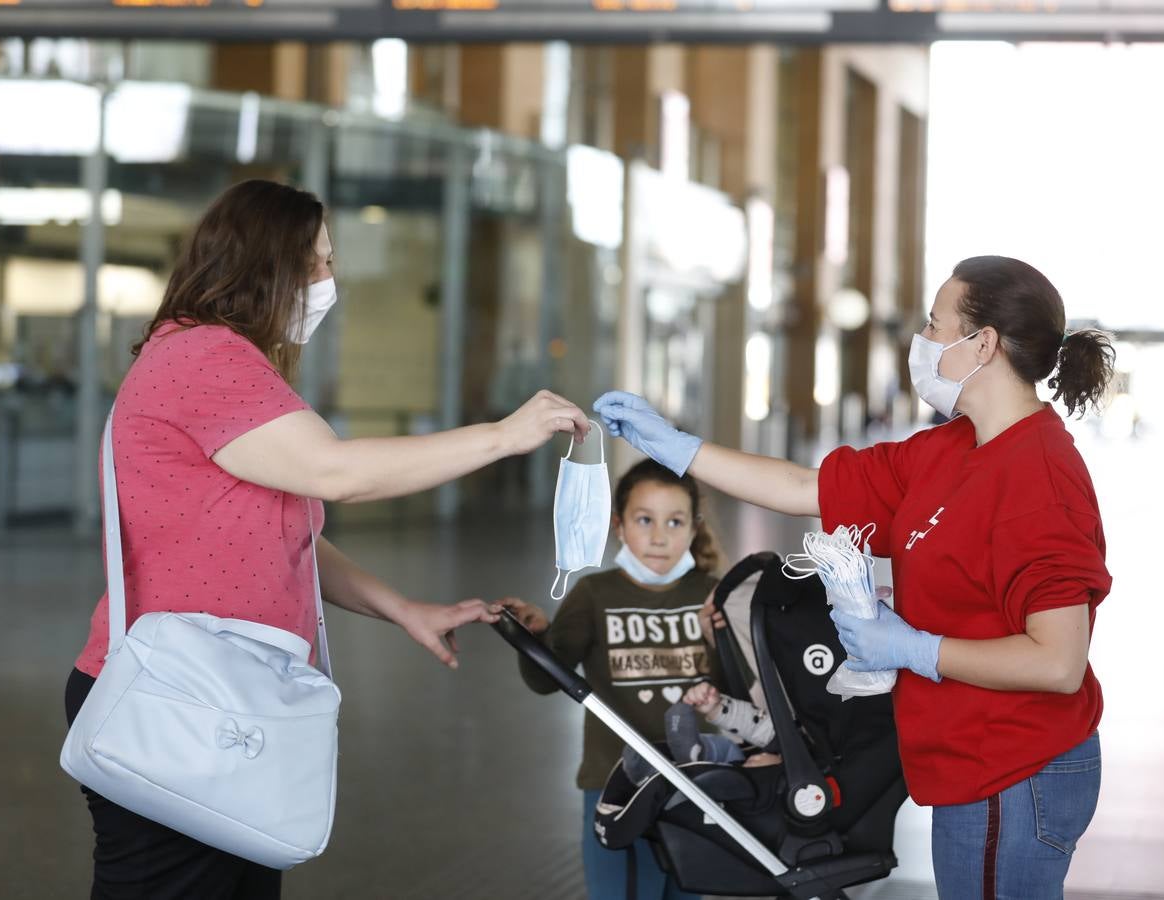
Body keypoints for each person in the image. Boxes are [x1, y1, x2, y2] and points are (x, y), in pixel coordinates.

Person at [64, 179, 591, 899]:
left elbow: (293, 539)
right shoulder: (205, 359)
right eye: (315, 264)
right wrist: (502, 436)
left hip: (223, 696)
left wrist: (403, 609)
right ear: (263, 264)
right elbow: (337, 472)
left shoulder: (227, 360)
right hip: (180, 699)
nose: (328, 281)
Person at [595, 255, 1115, 900]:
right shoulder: (952, 449)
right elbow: (803, 486)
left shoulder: (1039, 476)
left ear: (982, 343)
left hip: (1018, 770)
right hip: (974, 763)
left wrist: (912, 648)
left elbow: (1058, 663)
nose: (922, 342)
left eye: (935, 323)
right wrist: (674, 446)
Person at [502, 459, 725, 900]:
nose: (660, 537)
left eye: (675, 521)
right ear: (619, 525)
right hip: (614, 785)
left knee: (686, 891)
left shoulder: (712, 595)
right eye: (645, 520)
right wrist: (537, 637)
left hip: (695, 782)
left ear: (694, 528)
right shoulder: (594, 595)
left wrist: (724, 634)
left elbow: (740, 687)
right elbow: (549, 679)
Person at [619, 680, 781, 784]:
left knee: (720, 779)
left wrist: (778, 771)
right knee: (729, 749)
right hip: (765, 751)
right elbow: (766, 729)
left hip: (778, 786)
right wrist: (717, 707)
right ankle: (694, 753)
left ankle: (662, 775)